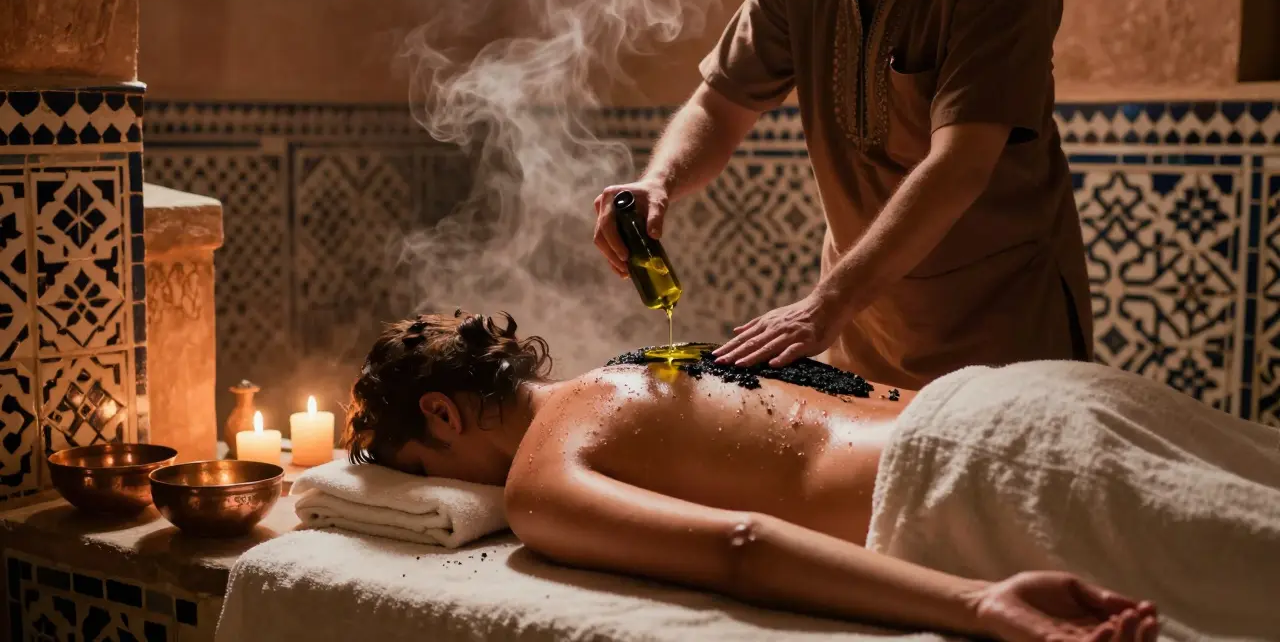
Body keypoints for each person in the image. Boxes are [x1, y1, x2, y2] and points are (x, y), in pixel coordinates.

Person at [343, 311, 1159, 641]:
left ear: (443, 417)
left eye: (420, 471)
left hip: (967, 475)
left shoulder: (540, 476)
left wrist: (981, 603)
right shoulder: (648, 360)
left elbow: (742, 546)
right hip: (1024, 393)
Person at [592, 0, 1091, 390]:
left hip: (1003, 340)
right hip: (864, 333)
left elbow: (960, 165)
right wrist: (659, 180)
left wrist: (826, 303)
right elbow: (718, 109)